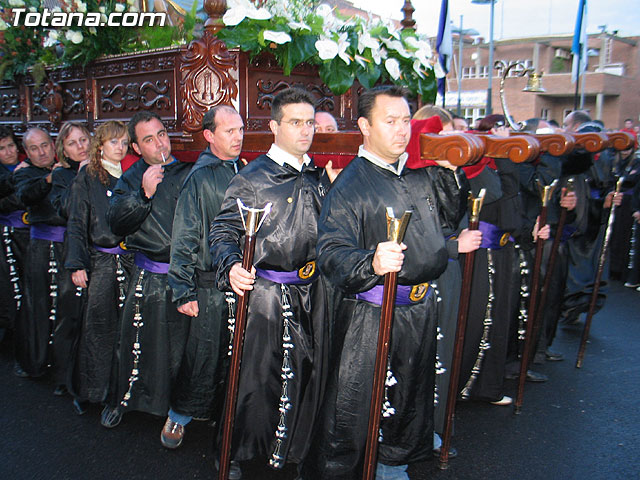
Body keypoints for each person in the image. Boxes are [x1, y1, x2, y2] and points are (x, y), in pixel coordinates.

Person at [300, 85, 449, 480]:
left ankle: (393, 462)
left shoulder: (418, 175)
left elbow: (442, 223)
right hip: (371, 315)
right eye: (390, 121)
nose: (401, 130)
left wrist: (450, 175)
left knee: (409, 396)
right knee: (356, 405)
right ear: (365, 126)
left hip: (419, 310)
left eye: (405, 121)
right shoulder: (350, 185)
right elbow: (330, 253)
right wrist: (371, 261)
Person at [209, 88, 329, 474]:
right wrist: (230, 264)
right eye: (295, 122)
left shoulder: (318, 175)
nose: (305, 130)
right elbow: (223, 230)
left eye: (310, 122)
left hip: (315, 293)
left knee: (308, 375)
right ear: (275, 126)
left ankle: (294, 451)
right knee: (258, 382)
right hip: (267, 297)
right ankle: (246, 454)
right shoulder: (252, 179)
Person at [101, 112, 192, 428]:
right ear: (137, 148)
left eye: (162, 134)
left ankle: (178, 411)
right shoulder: (133, 176)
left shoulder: (189, 172)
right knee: (138, 343)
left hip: (186, 277)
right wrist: (144, 195)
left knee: (181, 349)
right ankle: (125, 400)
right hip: (149, 276)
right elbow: (116, 224)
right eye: (149, 139)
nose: (160, 142)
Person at [163, 105, 244, 451]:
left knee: (234, 357)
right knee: (202, 357)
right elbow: (184, 235)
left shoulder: (244, 169)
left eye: (240, 129)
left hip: (241, 283)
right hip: (209, 285)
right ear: (209, 135)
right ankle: (178, 416)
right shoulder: (200, 177)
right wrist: (183, 291)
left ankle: (220, 415)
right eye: (230, 131)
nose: (238, 136)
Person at [64, 121, 134, 415]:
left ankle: (120, 393)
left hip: (129, 262)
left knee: (126, 329)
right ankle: (90, 390)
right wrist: (77, 264)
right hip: (101, 263)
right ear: (100, 146)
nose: (120, 148)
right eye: (114, 142)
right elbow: (77, 223)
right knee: (98, 329)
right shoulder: (88, 177)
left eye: (124, 143)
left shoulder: (131, 176)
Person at [13, 128, 78, 388]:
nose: (41, 152)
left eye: (44, 146)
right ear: (27, 152)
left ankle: (64, 370)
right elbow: (25, 195)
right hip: (42, 249)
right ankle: (38, 363)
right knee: (39, 306)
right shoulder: (25, 174)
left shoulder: (69, 167)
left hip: (69, 247)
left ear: (53, 145)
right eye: (34, 148)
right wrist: (50, 179)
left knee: (68, 308)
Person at [560, 111, 621, 325]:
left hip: (586, 216)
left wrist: (605, 199)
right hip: (584, 213)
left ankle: (579, 300)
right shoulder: (583, 151)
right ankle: (575, 301)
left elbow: (602, 182)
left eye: (567, 125)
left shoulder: (589, 146)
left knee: (583, 263)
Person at [48, 122, 92, 396]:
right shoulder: (63, 175)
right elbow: (64, 209)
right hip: (73, 250)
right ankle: (63, 376)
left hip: (99, 252)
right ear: (62, 149)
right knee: (69, 315)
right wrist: (81, 172)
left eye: (83, 140)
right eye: (72, 143)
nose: (80, 147)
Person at [0, 126, 29, 365]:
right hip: (8, 235)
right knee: (12, 284)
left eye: (11, 145)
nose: (9, 152)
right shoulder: (11, 172)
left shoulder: (26, 163)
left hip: (29, 234)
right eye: (2, 148)